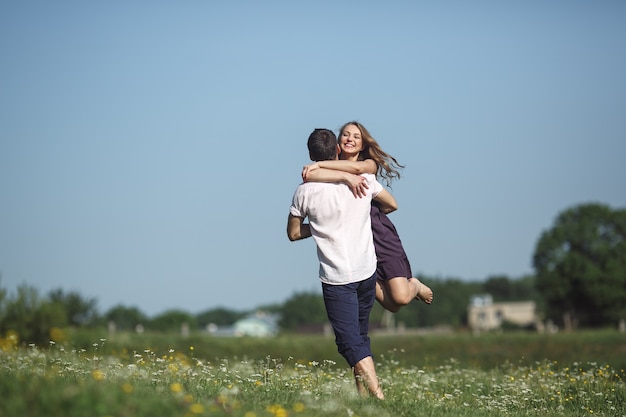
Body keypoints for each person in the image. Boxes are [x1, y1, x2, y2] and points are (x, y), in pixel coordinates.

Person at [287, 128, 398, 399]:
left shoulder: (304, 192)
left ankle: (378, 397)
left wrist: (319, 226)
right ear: (337, 150)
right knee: (359, 336)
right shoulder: (363, 181)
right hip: (366, 271)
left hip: (337, 279)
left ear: (311, 155)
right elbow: (391, 205)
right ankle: (363, 398)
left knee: (349, 342)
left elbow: (293, 233)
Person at [301, 121, 433, 313]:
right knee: (391, 306)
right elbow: (309, 176)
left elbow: (390, 203)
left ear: (363, 145)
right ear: (338, 144)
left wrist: (320, 164)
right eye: (345, 135)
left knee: (401, 297)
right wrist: (342, 176)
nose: (350, 139)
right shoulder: (333, 169)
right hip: (357, 245)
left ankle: (416, 285)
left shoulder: (368, 164)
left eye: (356, 137)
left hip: (379, 235)